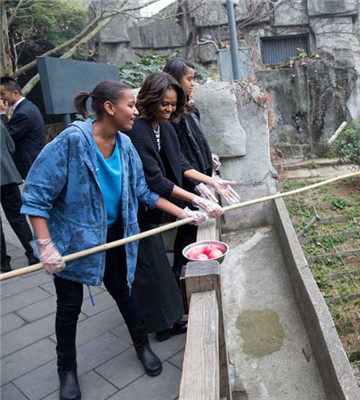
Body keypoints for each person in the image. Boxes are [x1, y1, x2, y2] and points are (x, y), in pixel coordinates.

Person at [21, 81, 207, 400]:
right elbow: (36, 196)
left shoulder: (125, 145)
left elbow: (143, 191)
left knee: (124, 292)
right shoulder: (72, 141)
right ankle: (66, 370)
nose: (135, 111)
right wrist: (45, 245)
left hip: (112, 236)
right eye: (130, 105)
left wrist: (185, 212)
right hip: (71, 241)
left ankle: (142, 347)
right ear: (109, 108)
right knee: (69, 307)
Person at [124, 72, 238, 342]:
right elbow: (154, 180)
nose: (169, 109)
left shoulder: (164, 127)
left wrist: (211, 181)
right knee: (149, 272)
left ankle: (169, 321)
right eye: (164, 103)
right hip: (136, 211)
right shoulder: (138, 131)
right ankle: (154, 328)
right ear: (150, 99)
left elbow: (180, 164)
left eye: (173, 104)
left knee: (160, 271)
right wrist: (194, 201)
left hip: (154, 206)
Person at [163, 58, 239, 280]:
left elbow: (196, 141)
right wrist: (197, 183)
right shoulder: (170, 117)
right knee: (188, 233)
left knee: (196, 231)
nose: (192, 83)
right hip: (188, 186)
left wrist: (209, 157)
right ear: (175, 81)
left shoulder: (190, 109)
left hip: (201, 179)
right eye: (189, 79)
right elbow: (176, 158)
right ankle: (180, 276)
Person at [1, 118, 37, 272]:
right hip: (7, 174)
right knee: (17, 216)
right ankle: (32, 253)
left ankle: (3, 263)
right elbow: (11, 146)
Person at [0, 76, 46, 179]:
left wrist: (2, 114)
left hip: (28, 166)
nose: (1, 98)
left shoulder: (23, 113)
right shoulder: (26, 107)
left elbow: (6, 137)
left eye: (2, 94)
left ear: (15, 93)